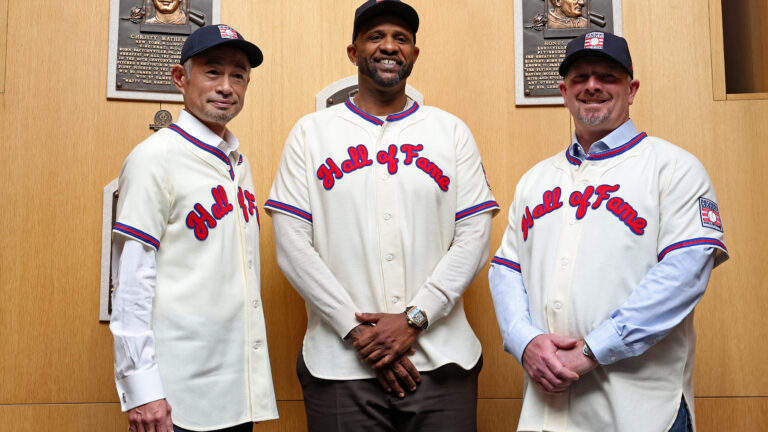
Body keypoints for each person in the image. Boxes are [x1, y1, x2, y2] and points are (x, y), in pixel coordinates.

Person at [264, 1, 499, 430]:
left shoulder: (451, 132)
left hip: (442, 361)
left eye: (401, 38)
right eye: (375, 36)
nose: (389, 46)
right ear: (353, 52)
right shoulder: (310, 134)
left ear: (413, 54)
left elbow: (473, 238)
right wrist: (361, 336)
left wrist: (415, 318)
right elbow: (292, 245)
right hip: (340, 366)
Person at [489, 31, 728, 432]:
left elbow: (683, 275)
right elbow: (506, 269)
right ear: (564, 92)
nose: (592, 86)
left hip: (641, 411)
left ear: (631, 89)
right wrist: (524, 340)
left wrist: (594, 349)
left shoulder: (675, 168)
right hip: (549, 411)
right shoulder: (535, 179)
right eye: (580, 77)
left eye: (608, 76)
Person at [110, 24, 278, 432]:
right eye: (212, 71)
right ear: (180, 79)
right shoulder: (155, 157)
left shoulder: (237, 162)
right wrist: (143, 389)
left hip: (238, 393)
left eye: (237, 75)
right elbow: (132, 280)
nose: (226, 86)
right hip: (176, 399)